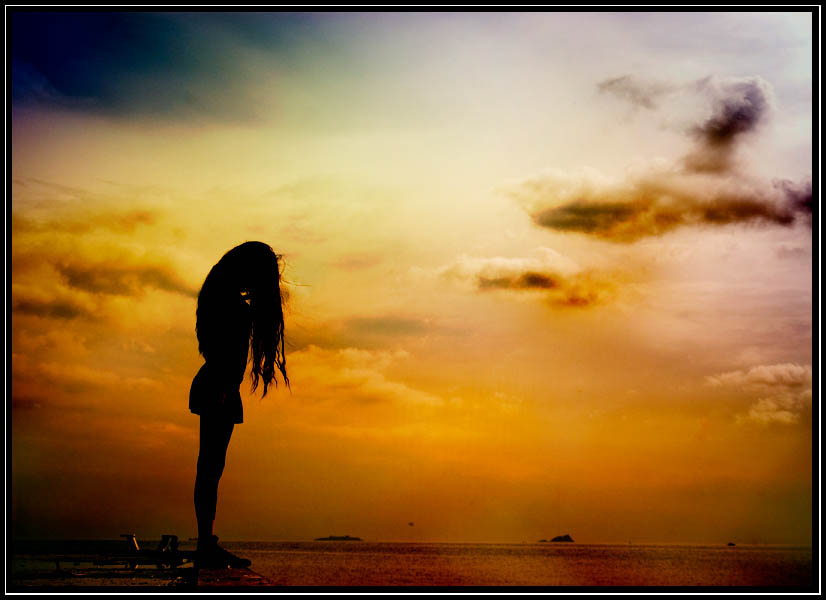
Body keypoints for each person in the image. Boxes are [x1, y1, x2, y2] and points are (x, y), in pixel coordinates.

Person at [189, 241, 289, 568]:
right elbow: (221, 351)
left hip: (221, 387)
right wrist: (222, 387)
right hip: (218, 387)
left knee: (212, 467)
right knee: (210, 467)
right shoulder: (229, 304)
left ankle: (206, 542)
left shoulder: (223, 299)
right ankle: (205, 544)